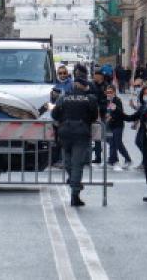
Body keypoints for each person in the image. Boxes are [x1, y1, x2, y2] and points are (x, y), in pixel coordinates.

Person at [51, 74, 100, 207]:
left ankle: (74, 182)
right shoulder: (89, 98)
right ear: (85, 87)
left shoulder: (64, 97)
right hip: (81, 133)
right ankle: (75, 194)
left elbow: (54, 114)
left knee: (67, 162)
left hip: (65, 133)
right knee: (77, 164)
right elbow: (94, 116)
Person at [103, 85, 132, 169]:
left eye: (110, 92)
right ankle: (112, 160)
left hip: (118, 125)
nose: (109, 94)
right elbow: (105, 111)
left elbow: (120, 112)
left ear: (114, 92)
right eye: (107, 92)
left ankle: (128, 159)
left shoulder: (117, 100)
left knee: (118, 143)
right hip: (110, 125)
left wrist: (113, 114)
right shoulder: (106, 101)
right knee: (111, 142)